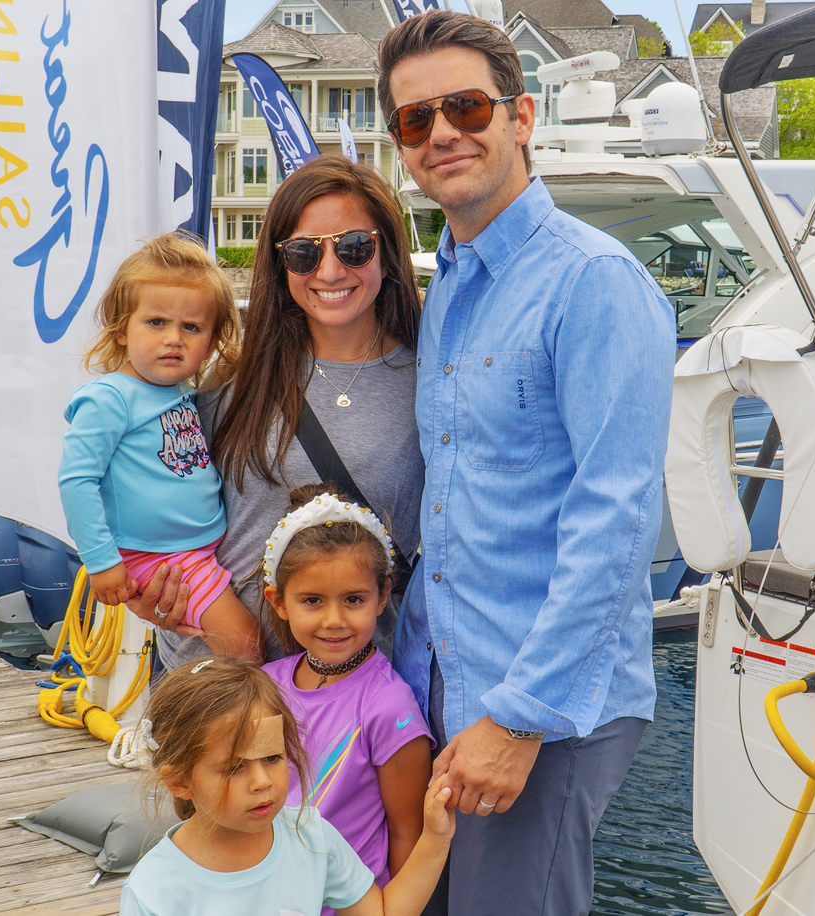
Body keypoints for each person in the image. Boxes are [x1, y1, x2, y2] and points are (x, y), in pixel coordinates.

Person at [377, 11, 678, 915]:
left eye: (465, 107)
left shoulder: (594, 282)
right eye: (414, 120)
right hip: (439, 676)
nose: (441, 134)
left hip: (536, 704)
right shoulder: (454, 288)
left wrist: (519, 718)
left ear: (523, 116)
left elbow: (618, 522)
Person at [130, 156, 425, 670]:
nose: (330, 271)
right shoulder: (230, 381)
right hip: (217, 685)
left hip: (347, 699)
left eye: (355, 246)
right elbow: (148, 487)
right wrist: (145, 580)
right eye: (304, 253)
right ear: (279, 261)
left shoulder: (433, 382)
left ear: (388, 250)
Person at [57, 233, 261, 661]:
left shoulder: (181, 392)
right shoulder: (110, 398)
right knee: (248, 647)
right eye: (156, 323)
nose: (174, 338)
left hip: (196, 549)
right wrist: (100, 561)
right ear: (120, 331)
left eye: (191, 327)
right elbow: (76, 480)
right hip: (164, 558)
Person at [121, 656, 453, 916]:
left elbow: (383, 911)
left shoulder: (310, 835)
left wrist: (435, 839)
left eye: (272, 758)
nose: (262, 782)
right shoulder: (154, 889)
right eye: (234, 768)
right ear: (179, 782)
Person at [261, 484, 434, 905]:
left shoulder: (389, 707)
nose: (334, 620)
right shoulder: (267, 685)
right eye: (313, 601)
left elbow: (407, 834)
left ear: (381, 597)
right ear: (279, 602)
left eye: (353, 599)